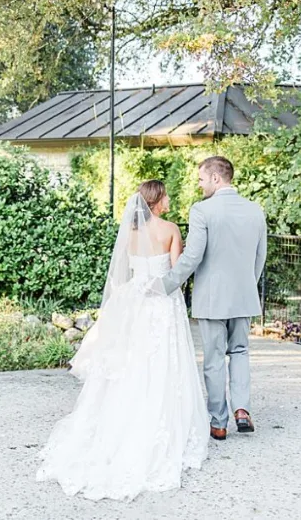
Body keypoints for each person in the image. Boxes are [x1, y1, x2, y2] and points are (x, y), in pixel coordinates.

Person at [36, 180, 209, 502]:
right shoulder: (170, 229)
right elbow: (177, 272)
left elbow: (124, 275)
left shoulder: (128, 235)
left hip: (135, 303)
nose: (170, 198)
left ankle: (122, 420)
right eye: (167, 194)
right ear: (157, 200)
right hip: (162, 303)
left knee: (134, 361)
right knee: (163, 362)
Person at [160, 156, 267, 441]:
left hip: (212, 298)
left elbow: (193, 256)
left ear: (216, 178)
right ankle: (242, 409)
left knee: (214, 359)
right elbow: (260, 257)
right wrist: (246, 285)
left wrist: (166, 284)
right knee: (241, 352)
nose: (199, 184)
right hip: (243, 296)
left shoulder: (202, 210)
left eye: (201, 179)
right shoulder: (255, 210)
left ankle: (218, 422)